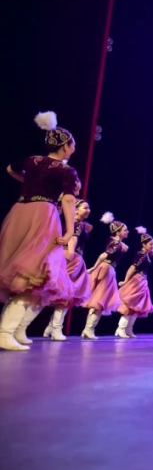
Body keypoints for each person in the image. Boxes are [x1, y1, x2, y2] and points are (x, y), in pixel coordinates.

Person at [0, 111, 79, 351]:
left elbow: (10, 169)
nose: (73, 148)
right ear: (65, 147)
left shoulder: (31, 160)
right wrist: (69, 231)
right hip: (43, 215)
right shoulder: (65, 170)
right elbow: (68, 200)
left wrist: (28, 184)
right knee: (36, 271)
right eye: (72, 144)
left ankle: (16, 329)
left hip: (20, 212)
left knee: (24, 269)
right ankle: (5, 332)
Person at [42, 197, 93, 341]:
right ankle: (56, 329)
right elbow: (73, 238)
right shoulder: (77, 224)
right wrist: (70, 252)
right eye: (85, 207)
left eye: (88, 208)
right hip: (72, 257)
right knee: (65, 294)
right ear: (75, 210)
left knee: (61, 294)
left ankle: (51, 328)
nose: (88, 210)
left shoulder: (75, 223)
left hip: (68, 255)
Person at [80, 213, 129, 339]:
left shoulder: (114, 241)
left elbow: (117, 244)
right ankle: (88, 329)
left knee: (99, 300)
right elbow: (104, 255)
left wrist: (121, 243)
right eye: (125, 230)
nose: (127, 232)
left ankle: (87, 329)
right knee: (100, 300)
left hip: (107, 268)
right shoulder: (116, 244)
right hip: (107, 269)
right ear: (118, 232)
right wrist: (94, 267)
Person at [115, 227, 153, 338]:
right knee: (130, 306)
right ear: (143, 245)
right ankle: (121, 329)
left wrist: (150, 252)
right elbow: (132, 268)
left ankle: (129, 329)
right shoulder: (142, 255)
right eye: (150, 244)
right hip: (137, 281)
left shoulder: (145, 254)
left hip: (142, 281)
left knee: (136, 307)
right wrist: (125, 281)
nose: (152, 246)